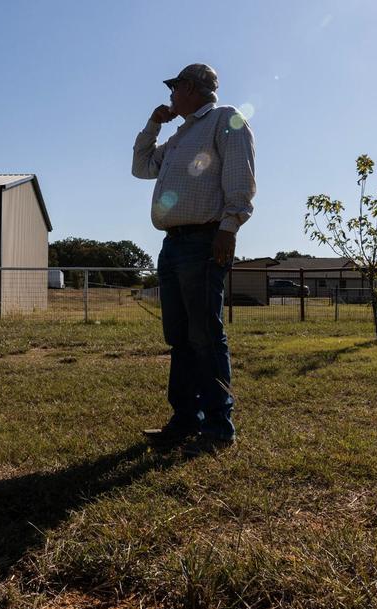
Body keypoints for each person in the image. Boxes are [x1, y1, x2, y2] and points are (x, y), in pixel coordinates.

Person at [131, 63, 255, 449]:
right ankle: (185, 420)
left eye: (173, 86)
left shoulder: (225, 121)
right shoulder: (181, 135)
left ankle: (219, 428)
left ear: (190, 87)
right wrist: (153, 125)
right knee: (180, 337)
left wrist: (228, 228)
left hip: (204, 241)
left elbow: (239, 178)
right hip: (173, 244)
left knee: (204, 335)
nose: (169, 94)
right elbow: (140, 168)